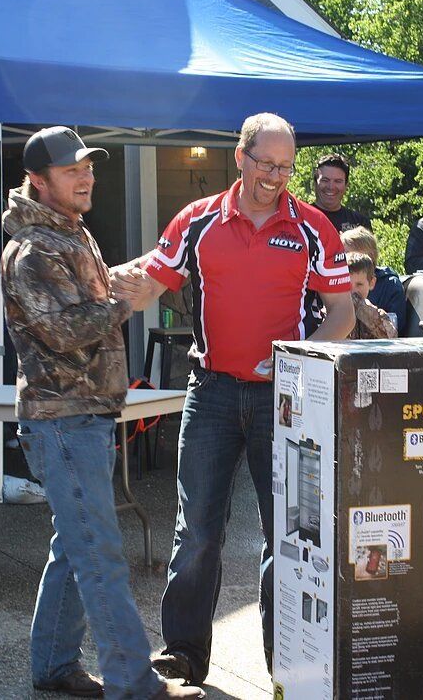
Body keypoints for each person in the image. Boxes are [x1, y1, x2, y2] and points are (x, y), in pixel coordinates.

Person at [112, 112, 355, 686]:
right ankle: (184, 654)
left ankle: (287, 666)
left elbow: (342, 314)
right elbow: (151, 282)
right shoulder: (197, 220)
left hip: (288, 399)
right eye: (267, 164)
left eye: (287, 167)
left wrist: (299, 356)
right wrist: (109, 286)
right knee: (196, 530)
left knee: (288, 535)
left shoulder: (314, 226)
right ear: (240, 157)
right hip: (213, 393)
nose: (277, 176)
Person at [2, 126, 204, 700]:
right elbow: (64, 331)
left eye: (87, 166)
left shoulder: (67, 235)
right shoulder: (36, 247)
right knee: (98, 553)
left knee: (74, 546)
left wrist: (126, 277)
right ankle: (134, 682)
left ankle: (53, 665)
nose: (86, 176)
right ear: (39, 182)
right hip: (63, 422)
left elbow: (79, 300)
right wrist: (125, 300)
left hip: (80, 416)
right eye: (72, 171)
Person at [340, 226, 406, 331]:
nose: (346, 261)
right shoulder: (335, 280)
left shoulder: (390, 285)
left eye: (351, 256)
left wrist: (366, 311)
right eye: (342, 256)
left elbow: (396, 330)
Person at [312, 153, 372, 233]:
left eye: (338, 181)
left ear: (346, 185)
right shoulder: (300, 219)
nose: (331, 187)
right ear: (315, 183)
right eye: (325, 180)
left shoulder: (360, 223)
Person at [346, 252, 398, 339]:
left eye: (359, 284)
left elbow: (391, 338)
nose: (353, 291)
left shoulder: (379, 315)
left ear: (371, 283)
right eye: (347, 285)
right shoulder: (333, 312)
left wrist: (363, 309)